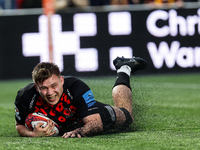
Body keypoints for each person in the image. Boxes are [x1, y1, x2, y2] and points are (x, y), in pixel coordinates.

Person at [15, 56, 147, 138]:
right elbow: (19, 125)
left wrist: (79, 131)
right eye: (44, 88)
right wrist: (32, 134)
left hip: (87, 116)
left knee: (127, 116)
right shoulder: (25, 97)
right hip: (66, 122)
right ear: (36, 87)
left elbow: (96, 124)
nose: (50, 92)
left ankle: (124, 68)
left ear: (61, 81)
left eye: (54, 86)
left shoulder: (76, 87)